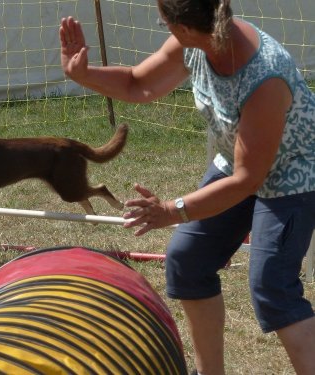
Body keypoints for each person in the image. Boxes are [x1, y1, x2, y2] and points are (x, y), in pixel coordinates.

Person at [59, 0, 315, 374]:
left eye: (163, 21)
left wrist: (172, 210)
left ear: (182, 27)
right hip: (238, 161)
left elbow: (249, 179)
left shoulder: (265, 76)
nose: (164, 27)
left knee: (273, 288)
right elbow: (138, 83)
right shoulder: (193, 44)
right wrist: (83, 74)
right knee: (188, 260)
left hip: (295, 174)